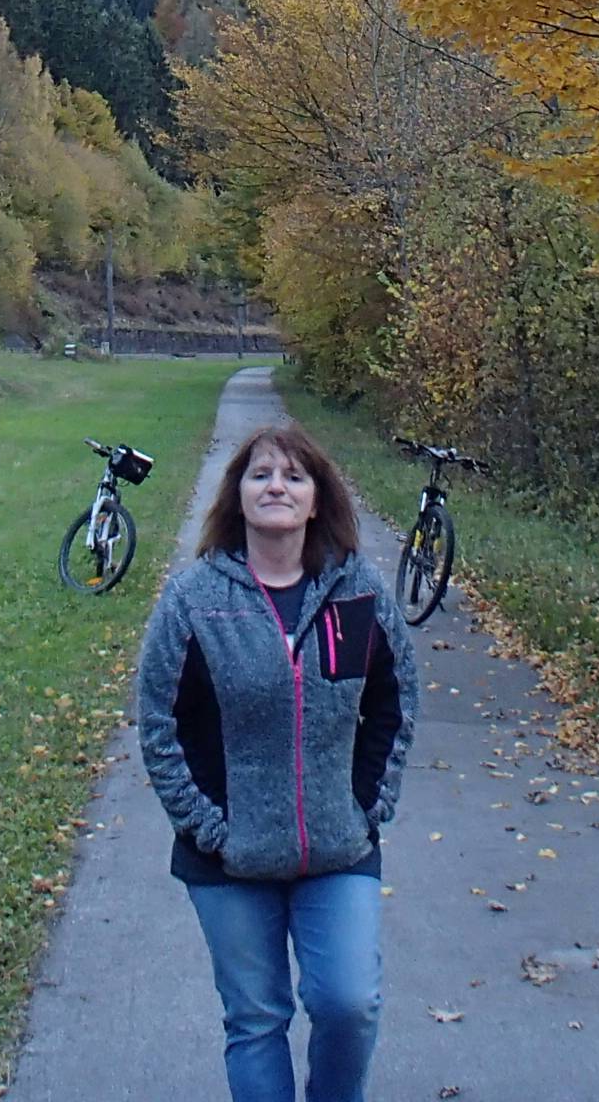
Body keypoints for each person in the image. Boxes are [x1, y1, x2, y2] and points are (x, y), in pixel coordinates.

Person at [135, 424, 421, 1102]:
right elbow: (158, 723)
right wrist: (209, 828)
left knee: (350, 1004)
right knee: (257, 1019)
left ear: (317, 499)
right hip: (228, 859)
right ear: (237, 495)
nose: (276, 486)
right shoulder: (195, 599)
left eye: (294, 476)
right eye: (261, 473)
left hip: (338, 850)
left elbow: (394, 700)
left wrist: (367, 807)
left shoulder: (358, 596)